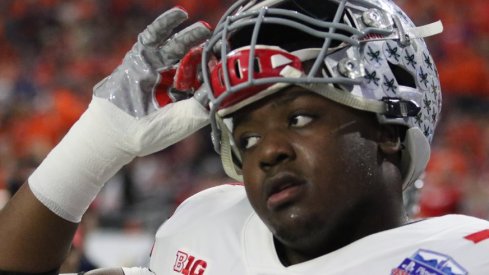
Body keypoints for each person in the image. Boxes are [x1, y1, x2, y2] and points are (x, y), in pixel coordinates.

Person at [1, 0, 488, 274]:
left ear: (388, 130)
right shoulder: (207, 230)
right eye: (248, 139)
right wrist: (97, 142)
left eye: (299, 119)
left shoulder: (465, 257)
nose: (269, 151)